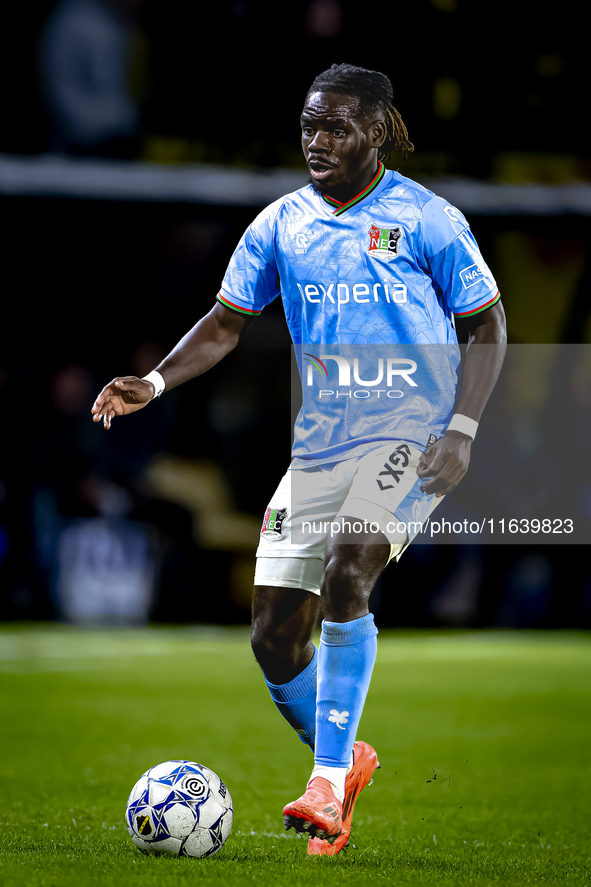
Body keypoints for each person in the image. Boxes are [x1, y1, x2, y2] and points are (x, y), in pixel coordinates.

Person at [92, 63, 507, 856]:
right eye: (309, 125)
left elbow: (486, 326)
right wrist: (152, 380)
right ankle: (345, 759)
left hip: (410, 432)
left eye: (337, 126)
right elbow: (223, 323)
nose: (318, 141)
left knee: (353, 562)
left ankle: (322, 782)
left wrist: (461, 430)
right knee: (274, 637)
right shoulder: (280, 224)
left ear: (377, 131)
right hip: (320, 445)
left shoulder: (428, 219)